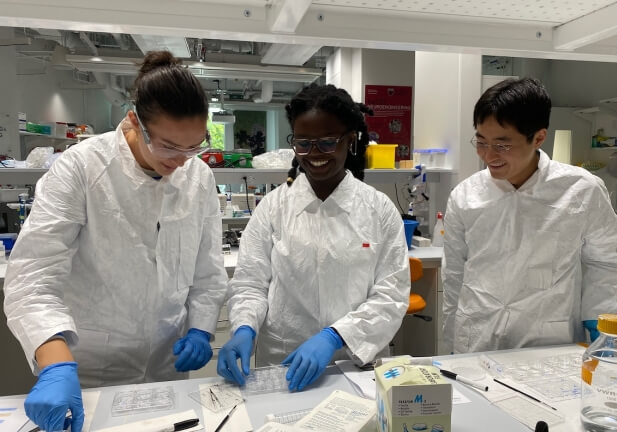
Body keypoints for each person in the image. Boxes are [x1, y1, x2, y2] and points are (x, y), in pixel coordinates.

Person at [3, 51, 228, 432]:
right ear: (133, 123)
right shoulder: (81, 168)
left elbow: (207, 269)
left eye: (194, 147)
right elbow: (32, 279)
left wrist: (201, 328)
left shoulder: (199, 177)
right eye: (170, 146)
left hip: (165, 368)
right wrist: (55, 366)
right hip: (89, 371)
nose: (183, 161)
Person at [217, 84, 410, 391]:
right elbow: (251, 283)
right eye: (303, 143)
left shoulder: (379, 210)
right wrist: (243, 328)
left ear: (350, 141)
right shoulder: (274, 207)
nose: (313, 154)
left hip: (354, 363)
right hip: (284, 365)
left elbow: (391, 295)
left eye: (327, 143)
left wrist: (334, 336)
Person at [442, 77, 617, 354]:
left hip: (548, 336)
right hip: (478, 332)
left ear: (539, 137)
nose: (488, 155)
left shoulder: (581, 189)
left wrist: (599, 318)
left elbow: (605, 262)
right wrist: (451, 337)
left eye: (502, 144)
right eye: (481, 142)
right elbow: (455, 273)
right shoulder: (465, 195)